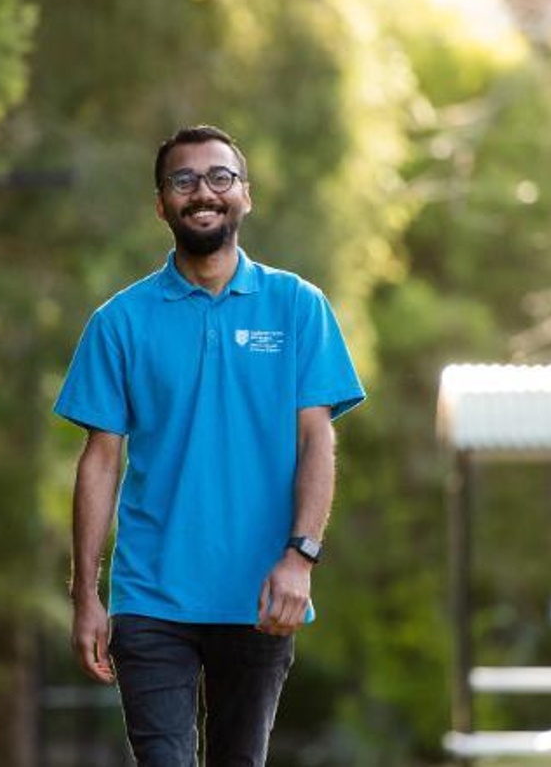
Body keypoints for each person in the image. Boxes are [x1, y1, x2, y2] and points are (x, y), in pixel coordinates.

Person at [54, 124, 365, 766]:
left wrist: (300, 557)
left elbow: (316, 439)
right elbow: (101, 461)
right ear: (161, 203)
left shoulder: (298, 307)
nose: (204, 191)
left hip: (261, 596)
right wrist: (88, 595)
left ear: (245, 196)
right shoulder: (120, 321)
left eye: (220, 177)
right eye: (184, 179)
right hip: (151, 598)